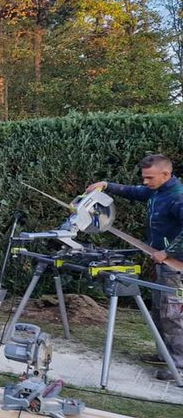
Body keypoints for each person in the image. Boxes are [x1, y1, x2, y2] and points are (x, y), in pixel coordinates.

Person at [86, 154, 183, 381]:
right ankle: (165, 354)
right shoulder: (157, 191)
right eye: (144, 178)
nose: (145, 182)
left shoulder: (178, 197)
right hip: (160, 262)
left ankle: (179, 365)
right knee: (159, 310)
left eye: (149, 178)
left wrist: (168, 252)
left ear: (166, 174)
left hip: (174, 264)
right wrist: (106, 185)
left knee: (172, 314)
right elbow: (134, 192)